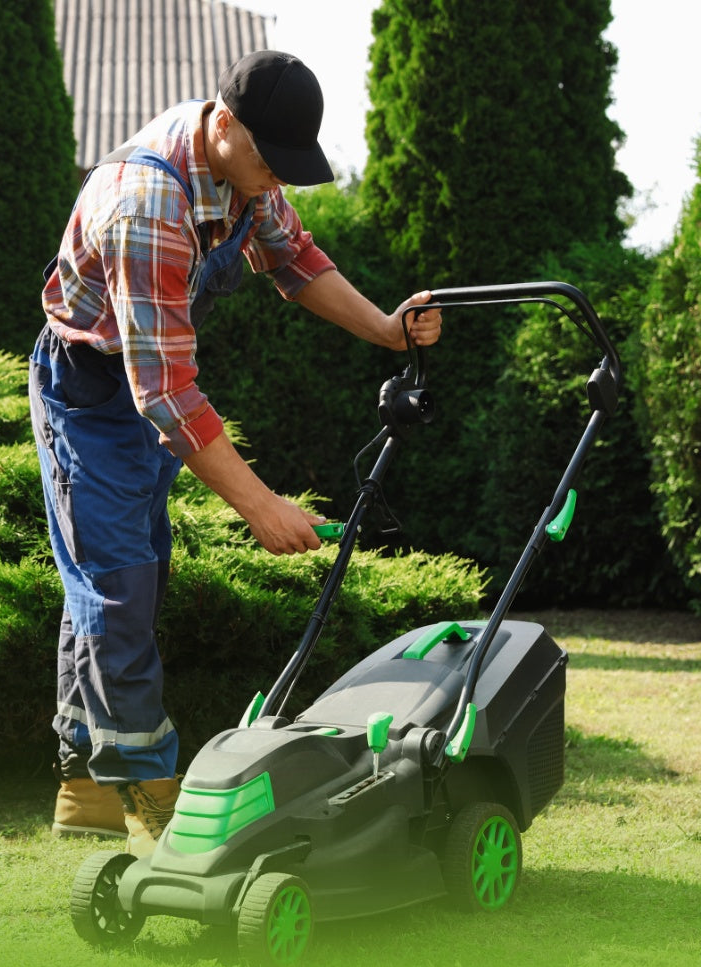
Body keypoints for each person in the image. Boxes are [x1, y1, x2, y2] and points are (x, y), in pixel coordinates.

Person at [31, 50, 442, 856]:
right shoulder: (148, 202)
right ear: (224, 124)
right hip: (90, 395)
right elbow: (166, 395)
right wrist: (261, 507)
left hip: (141, 385)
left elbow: (295, 260)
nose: (276, 181)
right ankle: (148, 792)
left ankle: (85, 787)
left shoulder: (243, 175)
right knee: (116, 585)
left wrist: (387, 330)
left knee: (122, 578)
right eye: (269, 161)